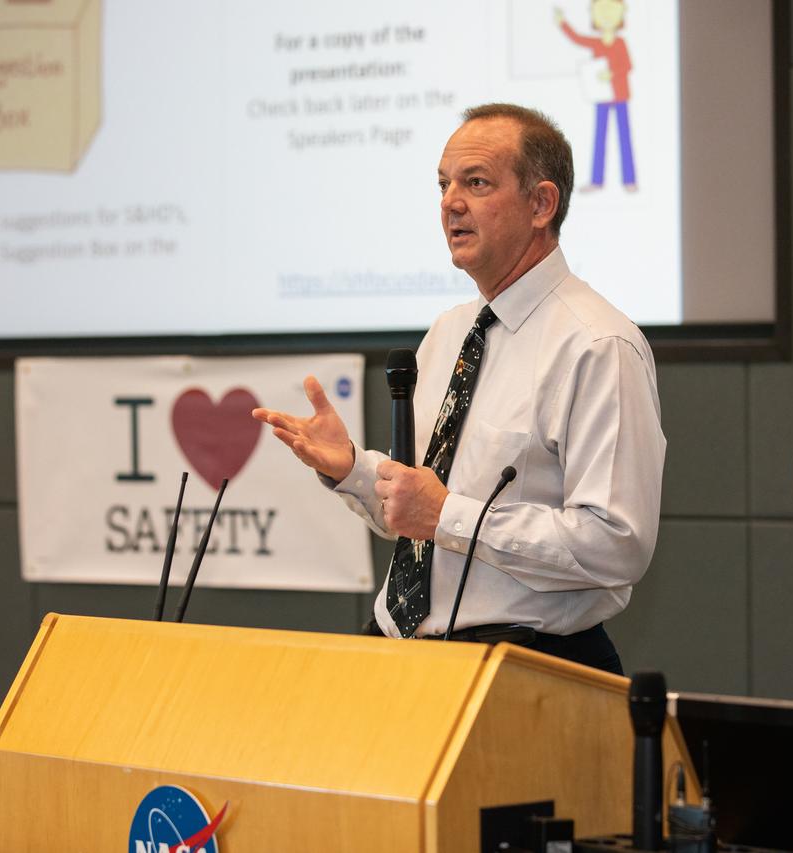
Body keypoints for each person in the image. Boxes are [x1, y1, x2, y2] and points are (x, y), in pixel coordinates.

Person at [252, 104, 664, 673]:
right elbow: (417, 512)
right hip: (400, 652)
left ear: (541, 204)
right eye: (444, 184)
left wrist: (447, 515)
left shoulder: (597, 346)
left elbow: (616, 543)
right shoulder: (449, 333)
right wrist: (351, 470)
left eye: (476, 183)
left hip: (523, 667)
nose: (450, 202)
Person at [556, 0, 637, 191]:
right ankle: (596, 181)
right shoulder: (596, 42)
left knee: (624, 136)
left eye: (611, 10)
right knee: (600, 137)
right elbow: (577, 38)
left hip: (620, 95)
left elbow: (627, 65)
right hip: (602, 95)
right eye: (601, 10)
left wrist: (612, 72)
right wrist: (562, 23)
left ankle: (630, 180)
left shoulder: (620, 42)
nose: (607, 15)